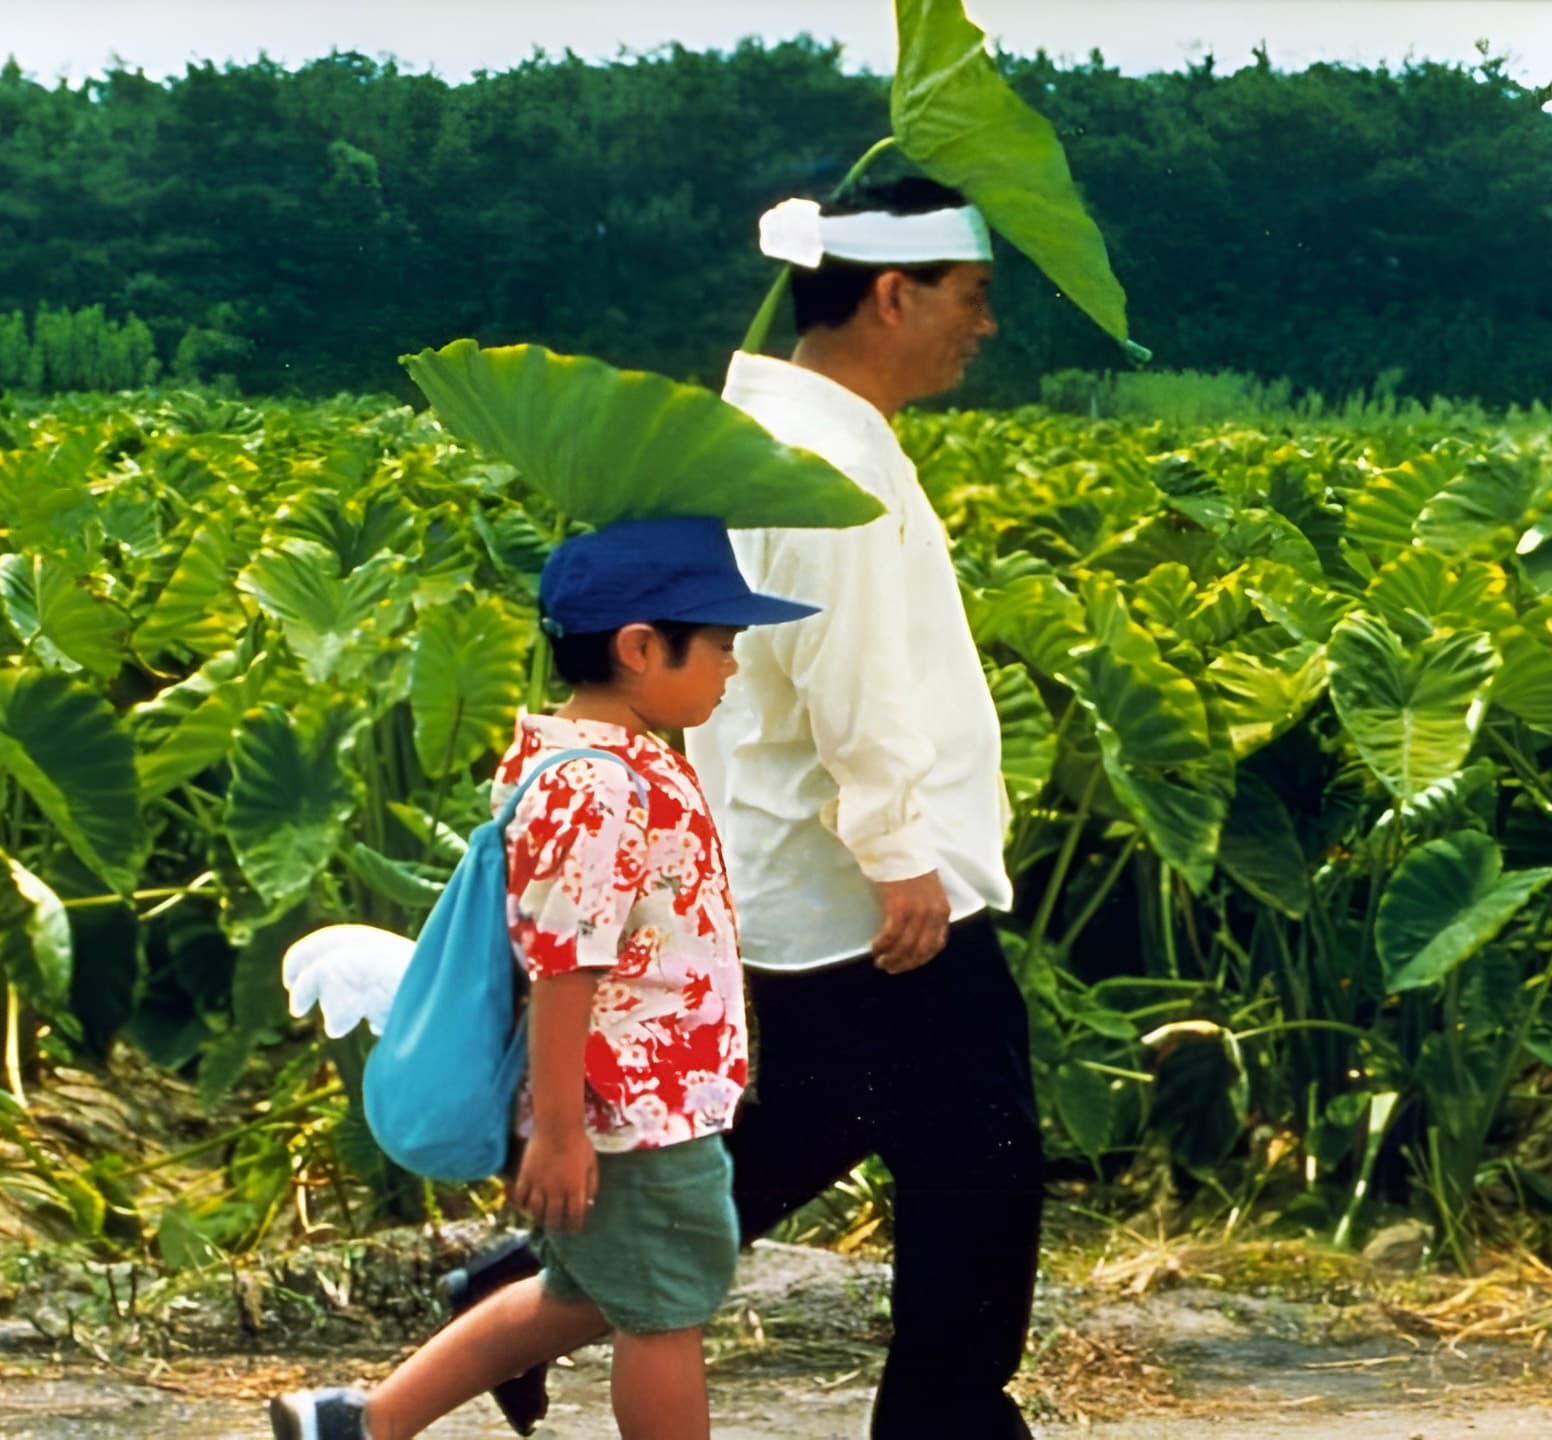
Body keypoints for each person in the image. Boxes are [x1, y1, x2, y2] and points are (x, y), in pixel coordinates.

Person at [443, 170, 1044, 1439]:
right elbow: (850, 678)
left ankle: (523, 1292)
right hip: (864, 891)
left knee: (814, 1131)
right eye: (971, 295)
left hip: (797, 875)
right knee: (979, 1175)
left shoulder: (773, 431)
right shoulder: (825, 463)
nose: (985, 325)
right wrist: (899, 849)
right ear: (894, 294)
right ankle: (944, 1423)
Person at [271, 515, 819, 1440]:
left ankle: (359, 1424)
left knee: (584, 1291)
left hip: (632, 1103)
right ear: (639, 648)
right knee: (666, 1312)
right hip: (627, 1111)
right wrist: (561, 1134)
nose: (732, 665)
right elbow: (567, 968)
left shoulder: (598, 761)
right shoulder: (597, 786)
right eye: (720, 645)